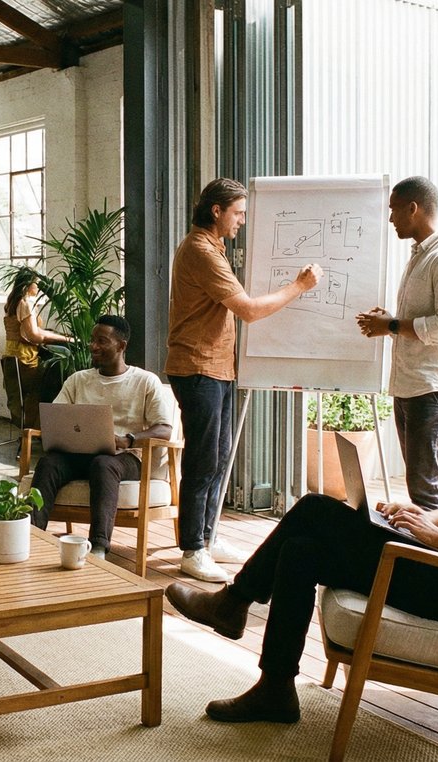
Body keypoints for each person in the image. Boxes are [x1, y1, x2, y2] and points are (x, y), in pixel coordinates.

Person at [166, 343, 438, 724]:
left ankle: (232, 603)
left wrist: (436, 539)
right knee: (300, 551)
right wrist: (423, 516)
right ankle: (275, 689)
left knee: (315, 509)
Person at [166, 177, 323, 583]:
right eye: (238, 213)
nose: (242, 222)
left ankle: (208, 534)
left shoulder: (213, 247)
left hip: (216, 367)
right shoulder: (201, 251)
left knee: (218, 456)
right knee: (203, 461)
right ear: (216, 211)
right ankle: (192, 549)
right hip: (198, 367)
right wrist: (299, 286)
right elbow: (249, 310)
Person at [356, 175, 438, 513]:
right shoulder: (422, 255)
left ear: (414, 208)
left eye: (395, 210)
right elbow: (428, 319)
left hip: (435, 386)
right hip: (414, 384)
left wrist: (392, 325)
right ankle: (434, 559)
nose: (391, 218)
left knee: (428, 486)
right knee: (421, 483)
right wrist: (392, 321)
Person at [28, 315, 172, 558]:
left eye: (102, 341)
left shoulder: (145, 381)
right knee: (49, 462)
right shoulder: (78, 380)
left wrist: (128, 439)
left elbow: (165, 429)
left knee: (103, 464)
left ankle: (98, 546)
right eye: (92, 340)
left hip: (124, 458)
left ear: (121, 346)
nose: (93, 346)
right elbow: (56, 415)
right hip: (78, 454)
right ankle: (31, 536)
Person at [2, 270, 72, 430]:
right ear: (28, 285)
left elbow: (34, 332)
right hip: (25, 358)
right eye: (36, 283)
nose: (39, 287)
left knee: (26, 396)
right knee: (38, 393)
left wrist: (59, 336)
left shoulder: (13, 302)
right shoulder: (26, 304)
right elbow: (34, 336)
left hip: (12, 356)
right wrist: (65, 339)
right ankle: (36, 432)